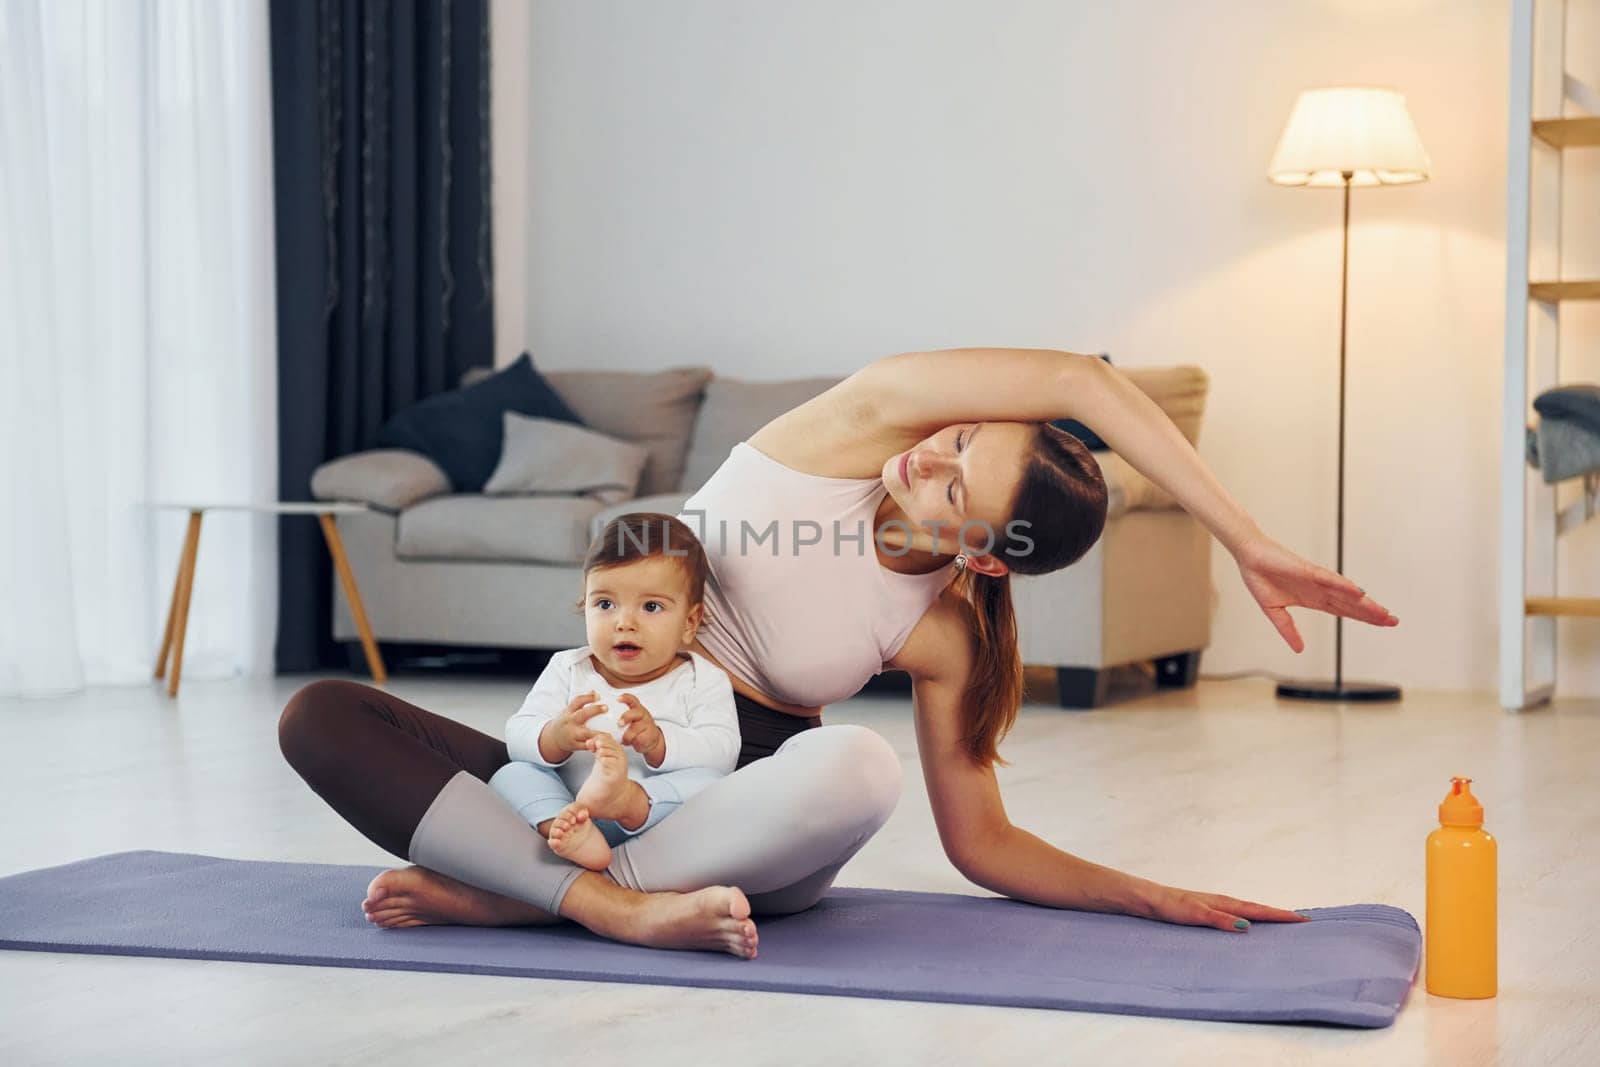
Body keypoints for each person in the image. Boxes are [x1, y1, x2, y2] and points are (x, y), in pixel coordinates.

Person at [277, 347, 1399, 960]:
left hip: (736, 811)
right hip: (578, 772)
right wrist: (1246, 538)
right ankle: (605, 905)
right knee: (318, 714)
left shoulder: (943, 630)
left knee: (856, 769)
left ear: (990, 556)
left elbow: (985, 842)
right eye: (956, 438)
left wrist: (1147, 896)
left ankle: (521, 890)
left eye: (959, 485)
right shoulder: (851, 427)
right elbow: (1083, 382)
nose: (927, 462)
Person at [489, 513, 739, 874]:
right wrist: (554, 737)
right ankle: (565, 830)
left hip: (653, 820)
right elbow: (518, 731)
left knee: (713, 785)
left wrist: (658, 743)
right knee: (512, 773)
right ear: (585, 605)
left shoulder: (702, 680)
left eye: (651, 607)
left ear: (689, 622)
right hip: (572, 805)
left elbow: (722, 751)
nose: (624, 622)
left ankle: (625, 801)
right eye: (605, 604)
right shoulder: (568, 668)